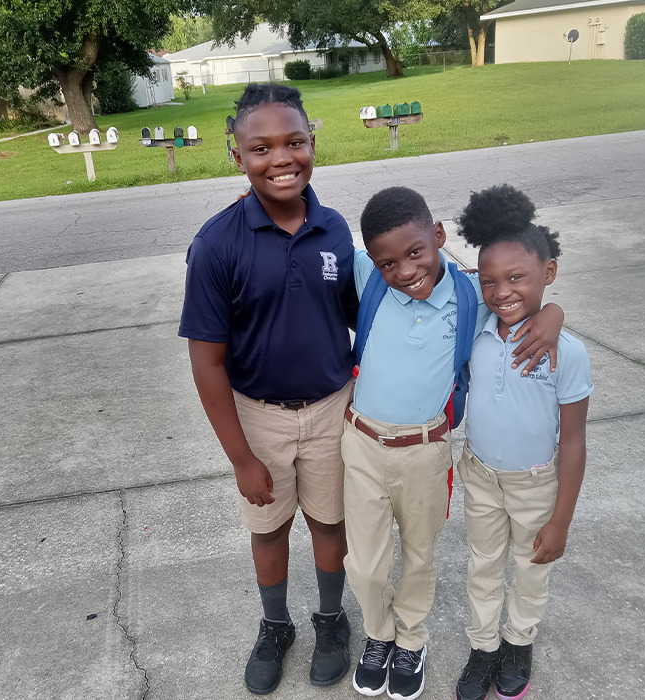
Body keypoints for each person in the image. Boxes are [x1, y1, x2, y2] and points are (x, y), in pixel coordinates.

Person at [343, 187, 564, 700]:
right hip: (361, 443)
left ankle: (411, 640)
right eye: (388, 263)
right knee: (366, 562)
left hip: (426, 449)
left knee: (419, 554)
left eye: (416, 252)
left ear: (438, 236)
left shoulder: (472, 301)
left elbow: (523, 305)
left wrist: (555, 314)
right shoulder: (365, 274)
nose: (403, 270)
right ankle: (379, 634)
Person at [178, 83, 358, 695]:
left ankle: (331, 619)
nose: (281, 158)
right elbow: (207, 364)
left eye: (295, 142)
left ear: (314, 143)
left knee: (330, 522)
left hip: (335, 407)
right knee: (269, 527)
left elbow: (371, 313)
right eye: (262, 148)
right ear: (237, 156)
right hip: (259, 416)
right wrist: (241, 458)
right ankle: (275, 624)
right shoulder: (216, 244)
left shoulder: (335, 232)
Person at [453, 184, 593, 700]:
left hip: (537, 482)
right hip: (480, 474)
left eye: (517, 278)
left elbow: (574, 440)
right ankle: (483, 645)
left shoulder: (568, 352)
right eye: (489, 281)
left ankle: (518, 641)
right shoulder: (477, 334)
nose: (501, 291)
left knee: (531, 569)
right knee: (482, 565)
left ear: (548, 274)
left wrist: (561, 518)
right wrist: (548, 308)